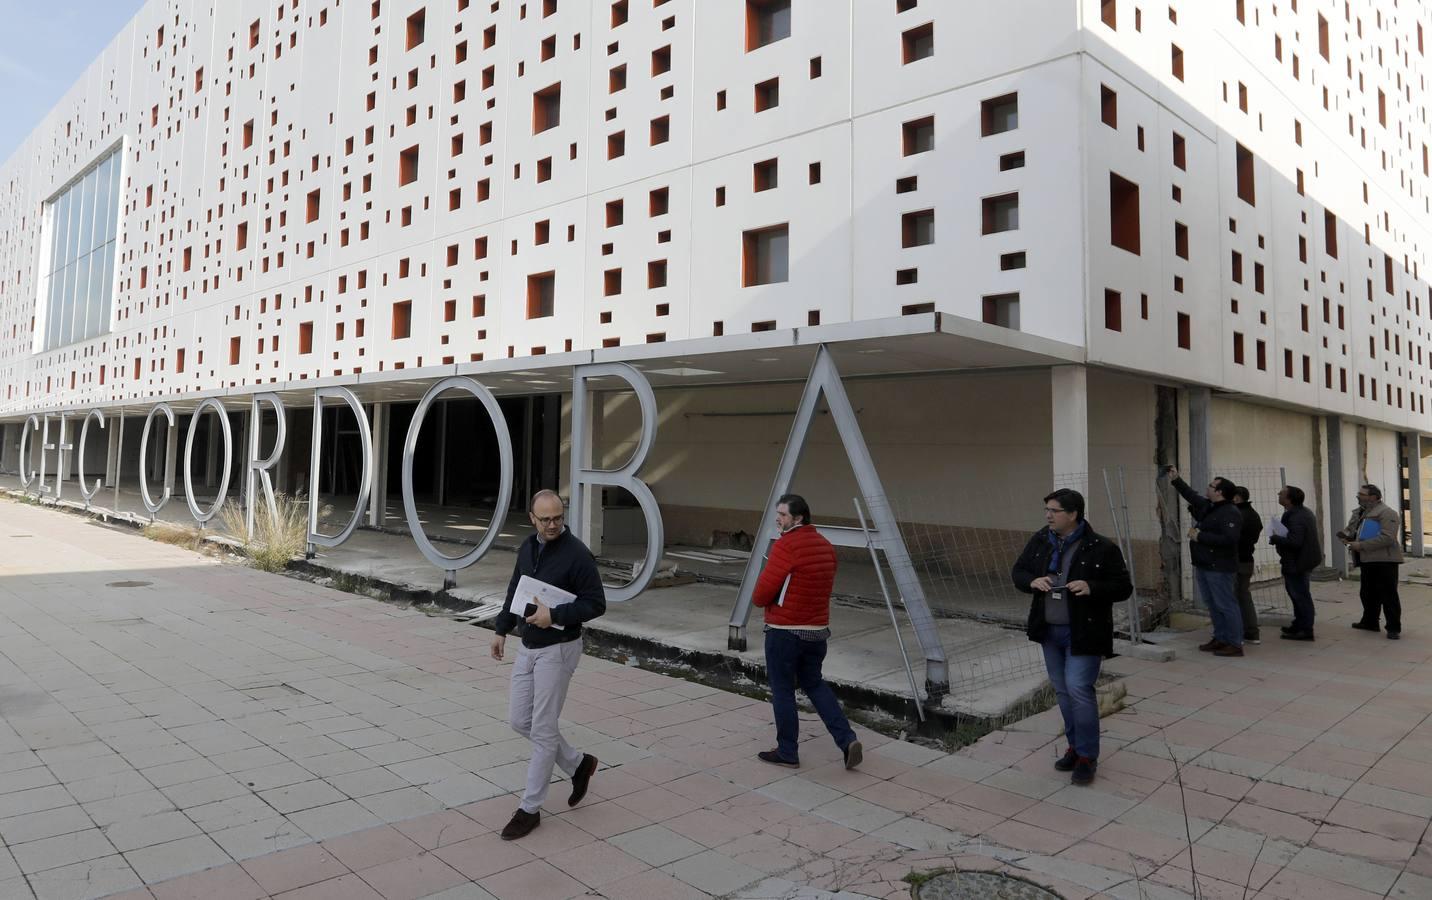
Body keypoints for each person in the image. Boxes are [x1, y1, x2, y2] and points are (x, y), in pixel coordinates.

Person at [490, 490, 606, 840]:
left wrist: (554, 615)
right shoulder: (528, 547)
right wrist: (501, 629)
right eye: (546, 519)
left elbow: (596, 604)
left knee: (542, 728)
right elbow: (516, 588)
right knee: (518, 720)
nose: (553, 524)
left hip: (559, 648)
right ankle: (577, 763)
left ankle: (530, 809)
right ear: (532, 519)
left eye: (558, 517)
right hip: (528, 644)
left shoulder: (578, 555)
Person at [1012, 489, 1132, 786]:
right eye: (1047, 510)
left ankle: (1088, 757)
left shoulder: (1100, 547)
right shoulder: (1041, 540)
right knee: (1063, 692)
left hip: (1084, 631)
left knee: (1079, 689)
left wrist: (1092, 586)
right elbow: (1018, 571)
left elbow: (1123, 587)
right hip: (1049, 631)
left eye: (1054, 510)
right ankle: (1075, 748)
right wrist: (1032, 581)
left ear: (1073, 514)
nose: (1048, 516)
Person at [752, 494, 862, 771]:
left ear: (798, 518)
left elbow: (762, 593)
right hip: (817, 631)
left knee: (783, 691)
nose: (778, 519)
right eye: (777, 513)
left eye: (784, 515)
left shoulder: (786, 545)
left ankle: (788, 751)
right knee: (814, 684)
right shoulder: (825, 546)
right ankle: (847, 740)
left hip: (785, 632)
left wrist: (769, 600)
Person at [1166, 466, 1246, 656]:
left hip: (1219, 567)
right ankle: (1220, 638)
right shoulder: (1210, 506)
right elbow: (1191, 495)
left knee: (1226, 604)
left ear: (1219, 492)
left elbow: (1230, 539)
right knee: (1213, 603)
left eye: (1211, 486)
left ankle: (1235, 643)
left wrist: (1200, 537)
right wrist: (1176, 479)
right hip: (1204, 564)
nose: (1207, 488)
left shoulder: (1230, 512)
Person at [1338, 484, 1403, 639]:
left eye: (1362, 494)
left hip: (1384, 560)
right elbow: (1355, 532)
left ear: (1374, 497)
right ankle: (1370, 622)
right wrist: (1348, 538)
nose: (1358, 496)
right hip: (1367, 559)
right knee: (1367, 593)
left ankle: (1393, 628)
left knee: (1388, 595)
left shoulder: (1387, 513)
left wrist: (1361, 545)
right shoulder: (1361, 512)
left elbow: (1387, 538)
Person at [1269, 485, 1321, 640]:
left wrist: (1275, 538)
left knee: (1300, 595)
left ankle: (1306, 630)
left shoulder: (1297, 516)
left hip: (1298, 562)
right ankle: (1299, 624)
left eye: (1282, 493)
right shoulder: (1299, 513)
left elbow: (1295, 541)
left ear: (1289, 499)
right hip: (1298, 560)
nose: (1278, 494)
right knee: (1297, 594)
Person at [1231, 486, 1263, 644]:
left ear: (1237, 497)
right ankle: (1251, 632)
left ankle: (1237, 632)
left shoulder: (1237, 514)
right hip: (1247, 559)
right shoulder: (1253, 514)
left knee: (1233, 597)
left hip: (1235, 560)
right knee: (1244, 596)